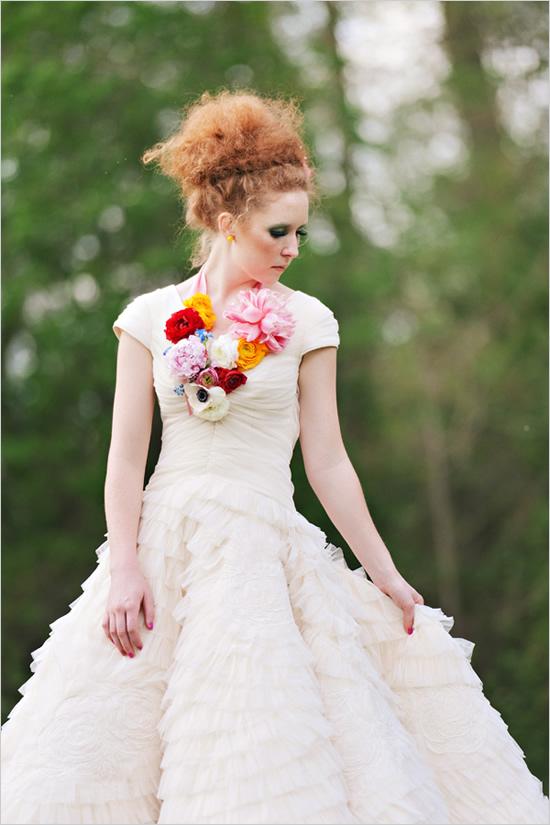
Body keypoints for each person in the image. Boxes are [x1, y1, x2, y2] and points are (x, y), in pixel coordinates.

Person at [1, 89, 547, 825]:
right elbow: (125, 458)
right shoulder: (152, 320)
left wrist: (385, 572)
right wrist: (123, 565)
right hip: (167, 549)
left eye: (301, 234)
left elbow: (328, 461)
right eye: (278, 231)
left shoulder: (306, 322)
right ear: (227, 224)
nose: (291, 248)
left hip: (264, 551)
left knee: (264, 747)